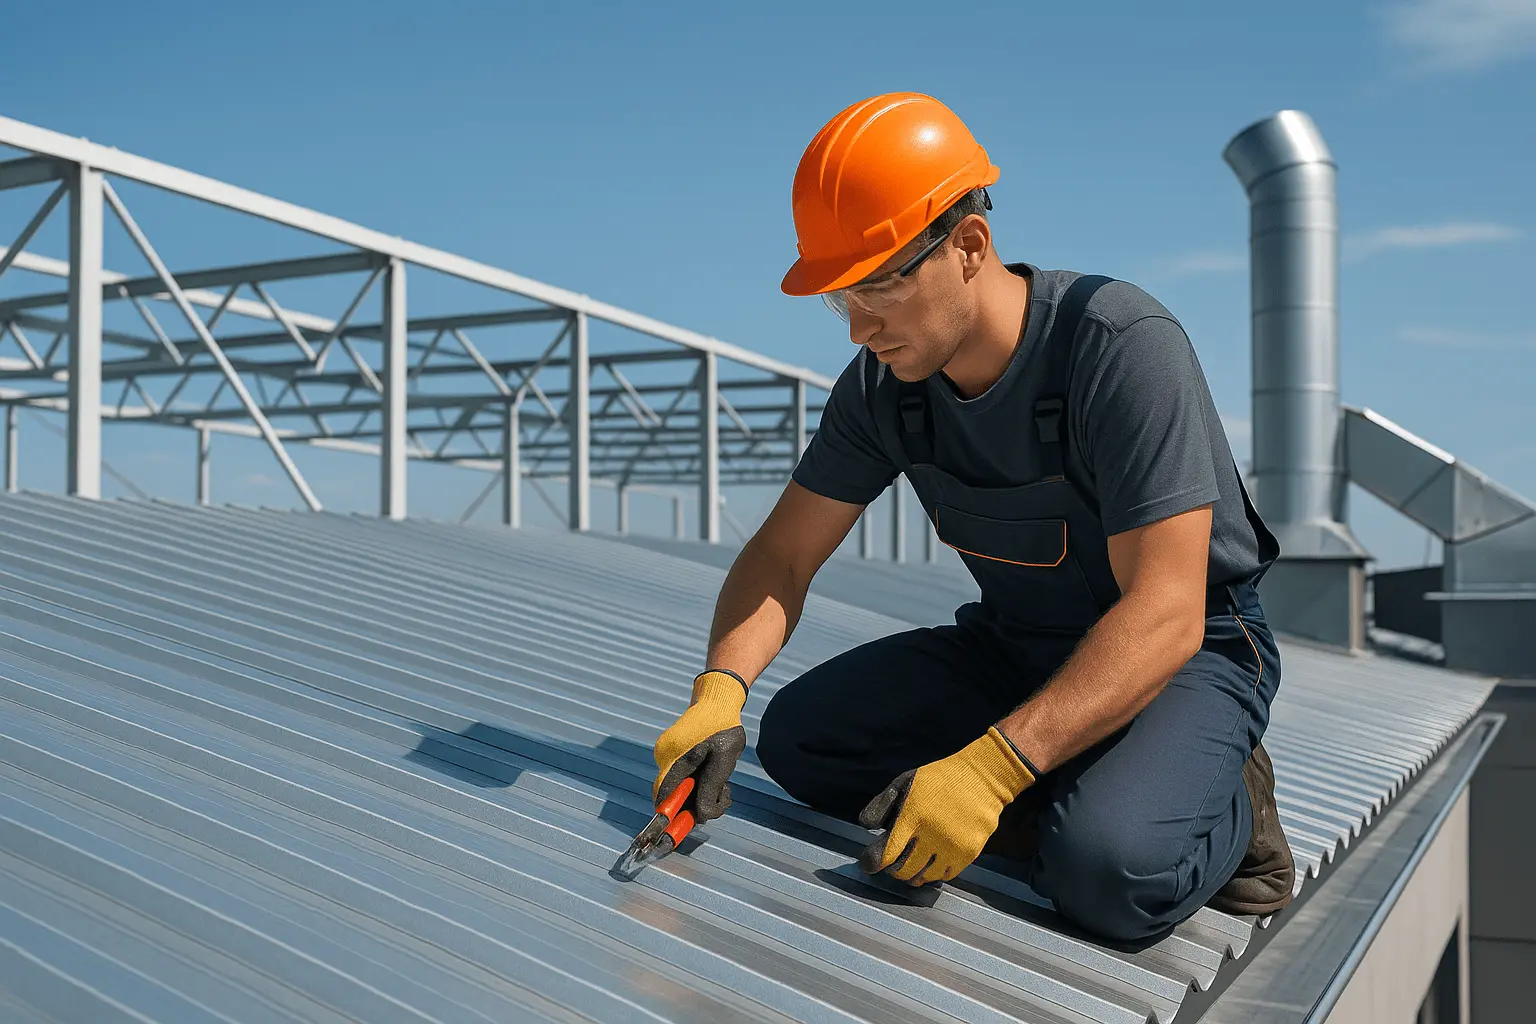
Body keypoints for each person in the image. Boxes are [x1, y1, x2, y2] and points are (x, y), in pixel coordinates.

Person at [649, 91, 1294, 943]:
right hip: (1018, 646)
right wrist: (718, 692)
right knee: (803, 743)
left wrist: (991, 771)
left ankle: (1230, 805)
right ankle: (1077, 776)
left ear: (969, 247)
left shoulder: (1119, 347)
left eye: (878, 286)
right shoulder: (885, 387)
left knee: (1104, 875)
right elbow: (783, 556)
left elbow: (1168, 611)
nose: (859, 329)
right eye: (839, 298)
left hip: (1191, 654)